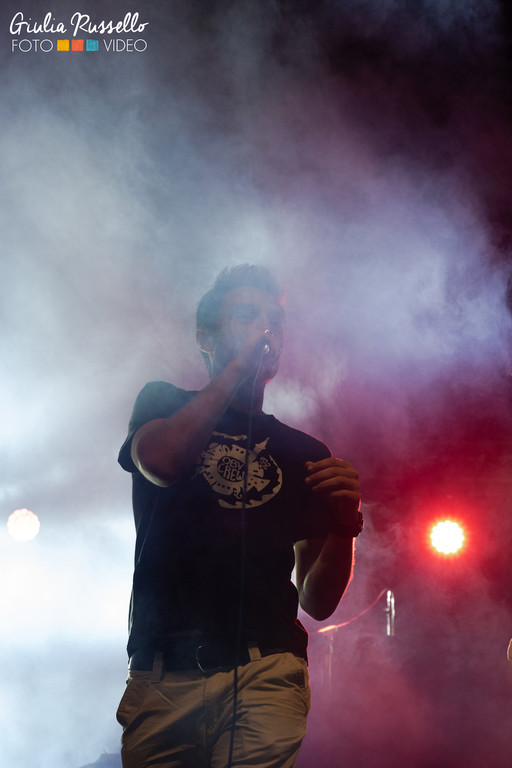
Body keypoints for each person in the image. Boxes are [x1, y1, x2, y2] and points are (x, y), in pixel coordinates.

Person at [116, 265, 363, 768]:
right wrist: (236, 370)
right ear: (205, 337)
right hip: (163, 673)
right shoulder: (162, 402)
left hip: (266, 669)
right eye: (247, 316)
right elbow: (161, 464)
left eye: (275, 321)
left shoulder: (305, 452)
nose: (265, 329)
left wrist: (345, 525)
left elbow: (317, 601)